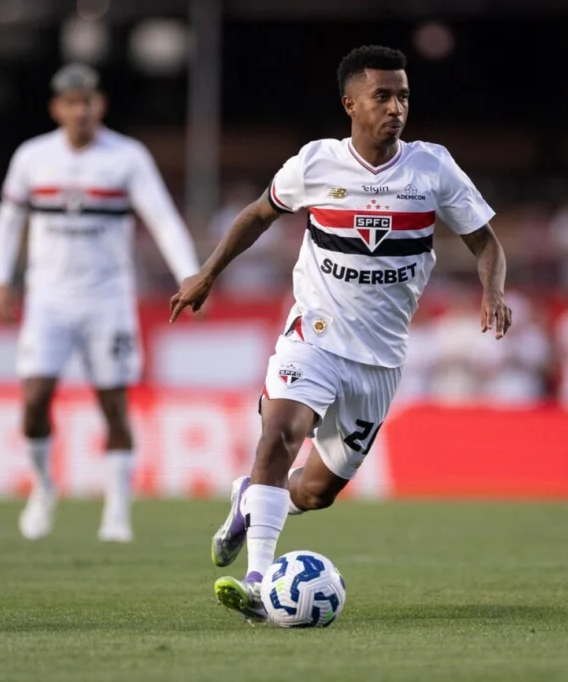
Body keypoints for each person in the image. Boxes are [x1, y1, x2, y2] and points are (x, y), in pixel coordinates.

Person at [169, 45, 512, 621]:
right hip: (316, 331)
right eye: (382, 96)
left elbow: (487, 243)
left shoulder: (432, 168)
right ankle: (257, 579)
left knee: (315, 493)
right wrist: (207, 273)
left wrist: (493, 291)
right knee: (279, 432)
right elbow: (258, 213)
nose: (396, 107)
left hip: (379, 359)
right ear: (350, 103)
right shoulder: (316, 164)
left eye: (403, 95)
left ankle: (247, 498)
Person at [0, 64, 201, 543]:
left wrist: (191, 274)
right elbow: (7, 223)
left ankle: (117, 511)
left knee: (114, 406)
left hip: (108, 300)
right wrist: (1, 279)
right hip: (48, 301)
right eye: (70, 101)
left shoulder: (126, 157)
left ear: (99, 105)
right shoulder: (32, 157)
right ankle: (44, 487)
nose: (80, 109)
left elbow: (163, 220)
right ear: (56, 108)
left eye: (87, 100)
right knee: (35, 400)